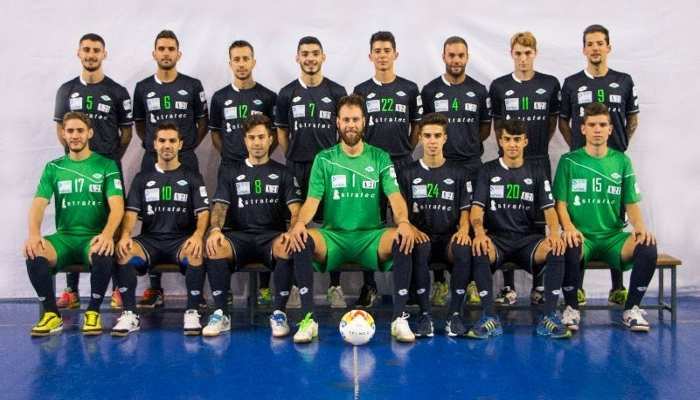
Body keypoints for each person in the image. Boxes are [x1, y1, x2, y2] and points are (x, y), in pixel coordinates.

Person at [287, 94, 416, 343]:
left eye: (355, 119)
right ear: (337, 122)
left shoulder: (380, 157)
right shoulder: (324, 158)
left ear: (364, 121)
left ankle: (399, 319)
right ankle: (308, 320)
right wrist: (300, 224)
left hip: (370, 237)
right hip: (333, 237)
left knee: (402, 238)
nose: (351, 125)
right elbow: (312, 200)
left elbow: (395, 197)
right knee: (302, 240)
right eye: (346, 120)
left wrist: (403, 222)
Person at [555, 103, 656, 332]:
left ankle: (632, 309)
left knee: (648, 246)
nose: (597, 129)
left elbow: (631, 203)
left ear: (610, 129)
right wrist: (568, 227)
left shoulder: (622, 161)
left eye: (602, 124)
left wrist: (640, 227)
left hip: (613, 238)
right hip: (583, 238)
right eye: (592, 125)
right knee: (567, 245)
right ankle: (571, 308)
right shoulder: (569, 161)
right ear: (583, 129)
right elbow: (560, 205)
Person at [559, 24, 640, 306]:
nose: (595, 48)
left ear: (608, 47)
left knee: (613, 222)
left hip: (613, 163)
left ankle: (618, 287)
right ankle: (577, 288)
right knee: (581, 220)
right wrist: (576, 147)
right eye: (590, 44)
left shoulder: (624, 80)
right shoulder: (571, 83)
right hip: (583, 160)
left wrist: (620, 145)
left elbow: (632, 118)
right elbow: (563, 121)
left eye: (600, 43)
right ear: (584, 49)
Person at [468, 119, 570, 339]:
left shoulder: (536, 170)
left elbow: (549, 209)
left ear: (525, 141)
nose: (512, 144)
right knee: (478, 248)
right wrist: (479, 233)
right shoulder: (487, 170)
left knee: (557, 249)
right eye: (507, 139)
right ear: (500, 141)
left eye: (517, 139)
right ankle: (489, 317)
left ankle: (549, 317)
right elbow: (477, 209)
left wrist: (554, 234)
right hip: (497, 239)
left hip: (528, 240)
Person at [24, 112, 124, 336]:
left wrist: (107, 234)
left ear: (90, 133)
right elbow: (38, 204)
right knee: (34, 251)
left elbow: (118, 207)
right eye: (70, 131)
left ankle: (93, 311)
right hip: (65, 239)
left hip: (93, 237)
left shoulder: (106, 165)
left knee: (104, 250)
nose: (75, 135)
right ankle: (52, 315)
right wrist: (33, 234)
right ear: (63, 134)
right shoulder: (54, 167)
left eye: (80, 130)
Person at [53, 33, 133, 310]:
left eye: (96, 50)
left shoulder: (117, 91)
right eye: (86, 50)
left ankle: (118, 289)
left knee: (113, 222)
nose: (90, 55)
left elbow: (126, 133)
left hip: (108, 167)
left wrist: (109, 159)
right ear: (79, 53)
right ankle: (71, 290)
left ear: (104, 54)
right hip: (74, 169)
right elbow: (60, 129)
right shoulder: (66, 90)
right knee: (72, 222)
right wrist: (76, 158)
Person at [205, 114, 302, 337]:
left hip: (271, 237)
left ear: (270, 139)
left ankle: (279, 313)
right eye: (251, 137)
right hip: (238, 237)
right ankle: (221, 313)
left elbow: (296, 211)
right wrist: (215, 230)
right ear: (245, 140)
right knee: (215, 246)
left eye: (261, 137)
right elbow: (219, 208)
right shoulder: (231, 172)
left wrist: (291, 231)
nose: (257, 142)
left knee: (287, 246)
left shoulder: (284, 173)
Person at [132, 29, 208, 306]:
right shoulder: (142, 87)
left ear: (179, 53)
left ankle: (195, 290)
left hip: (185, 157)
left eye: (170, 49)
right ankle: (155, 287)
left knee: (189, 214)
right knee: (153, 216)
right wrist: (154, 146)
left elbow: (202, 122)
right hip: (152, 158)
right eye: (161, 48)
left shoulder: (193, 85)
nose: (166, 53)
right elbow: (139, 123)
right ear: (154, 53)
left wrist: (186, 145)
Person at [113, 122, 209, 336]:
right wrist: (125, 235)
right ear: (154, 144)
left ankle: (192, 311)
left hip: (181, 240)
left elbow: (203, 213)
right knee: (123, 251)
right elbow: (131, 213)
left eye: (172, 141)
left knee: (196, 251)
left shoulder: (193, 177)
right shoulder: (142, 178)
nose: (167, 145)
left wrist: (197, 235)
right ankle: (129, 314)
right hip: (150, 240)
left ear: (180, 144)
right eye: (162, 140)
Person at [488, 31, 561, 306]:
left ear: (535, 54)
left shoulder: (550, 84)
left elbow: (552, 123)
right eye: (518, 53)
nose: (523, 58)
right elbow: (497, 127)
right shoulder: (499, 86)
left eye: (527, 53)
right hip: (507, 164)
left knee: (538, 220)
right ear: (511, 54)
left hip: (538, 159)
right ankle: (508, 287)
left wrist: (534, 149)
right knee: (505, 217)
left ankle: (538, 286)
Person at [275, 36, 347, 308]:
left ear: (323, 57)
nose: (310, 58)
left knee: (333, 225)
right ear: (297, 58)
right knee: (296, 224)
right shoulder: (287, 93)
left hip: (329, 169)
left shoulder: (337, 91)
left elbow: (343, 131)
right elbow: (282, 132)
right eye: (305, 54)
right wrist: (294, 155)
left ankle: (335, 287)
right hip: (297, 167)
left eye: (315, 53)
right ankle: (295, 286)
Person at [352, 30, 422, 308]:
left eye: (387, 50)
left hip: (402, 163)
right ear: (370, 56)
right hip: (369, 166)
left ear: (396, 54)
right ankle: (369, 286)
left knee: (405, 222)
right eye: (377, 51)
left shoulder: (410, 89)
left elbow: (416, 127)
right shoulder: (361, 90)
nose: (382, 55)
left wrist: (405, 150)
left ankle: (409, 286)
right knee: (369, 225)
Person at [420, 35, 491, 306]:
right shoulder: (430, 90)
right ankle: (439, 282)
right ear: (444, 57)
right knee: (437, 220)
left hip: (471, 165)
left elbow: (484, 128)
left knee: (471, 221)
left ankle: (471, 282)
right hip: (441, 165)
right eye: (451, 55)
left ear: (467, 57)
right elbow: (427, 127)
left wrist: (467, 144)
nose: (456, 60)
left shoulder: (479, 90)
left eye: (461, 55)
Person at [209, 39, 277, 306]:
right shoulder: (219, 98)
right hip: (230, 167)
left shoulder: (268, 97)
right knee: (227, 225)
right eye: (236, 59)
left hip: (261, 167)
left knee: (264, 223)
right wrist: (232, 155)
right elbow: (215, 134)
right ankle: (224, 289)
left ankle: (264, 289)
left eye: (245, 58)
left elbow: (273, 134)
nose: (241, 64)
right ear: (230, 63)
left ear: (253, 62)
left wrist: (259, 157)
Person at [398, 113, 473, 337]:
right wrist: (411, 228)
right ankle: (425, 316)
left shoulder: (459, 173)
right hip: (422, 235)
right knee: (419, 247)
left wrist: (463, 229)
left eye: (437, 136)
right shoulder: (407, 173)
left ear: (445, 138)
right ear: (420, 138)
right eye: (428, 136)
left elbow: (465, 209)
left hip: (449, 237)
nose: (432, 141)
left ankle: (455, 316)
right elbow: (399, 211)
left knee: (463, 248)